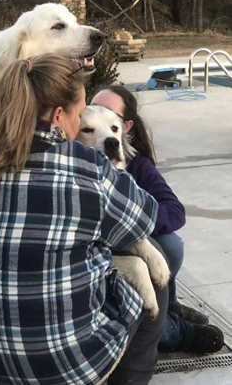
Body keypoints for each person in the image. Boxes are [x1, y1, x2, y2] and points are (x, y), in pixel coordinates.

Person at [0, 53, 167, 385]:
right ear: (59, 115)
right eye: (80, 114)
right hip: (55, 365)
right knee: (153, 273)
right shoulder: (86, 167)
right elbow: (144, 220)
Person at [91, 85, 223, 354]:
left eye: (111, 120)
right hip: (93, 275)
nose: (102, 127)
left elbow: (174, 211)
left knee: (167, 245)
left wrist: (130, 225)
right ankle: (176, 331)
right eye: (91, 116)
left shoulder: (136, 164)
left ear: (126, 127)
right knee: (130, 321)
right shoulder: (67, 166)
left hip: (122, 258)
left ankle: (168, 307)